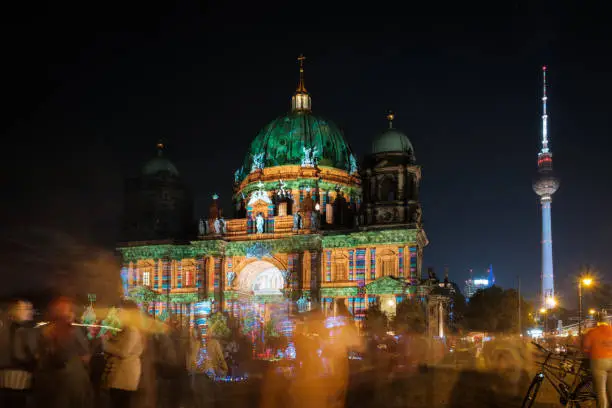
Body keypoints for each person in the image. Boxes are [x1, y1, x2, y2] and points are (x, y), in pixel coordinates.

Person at [35, 297, 92, 408]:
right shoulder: (72, 330)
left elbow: (40, 355)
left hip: (54, 380)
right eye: (69, 310)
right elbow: (85, 354)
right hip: (71, 379)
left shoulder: (46, 330)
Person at [102, 300, 144, 408]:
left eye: (121, 311)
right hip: (121, 376)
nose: (118, 313)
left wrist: (106, 344)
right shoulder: (125, 329)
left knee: (120, 402)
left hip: (124, 377)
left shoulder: (132, 330)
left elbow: (124, 352)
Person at [0, 300, 37, 408]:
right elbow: (20, 355)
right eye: (26, 309)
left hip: (3, 380)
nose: (30, 311)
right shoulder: (23, 330)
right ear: (15, 311)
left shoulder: (4, 328)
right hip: (19, 380)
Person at [583, 315, 612, 408]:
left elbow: (585, 348)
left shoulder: (592, 332)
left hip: (599, 361)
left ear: (597, 322)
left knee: (601, 390)